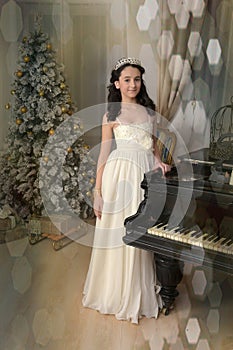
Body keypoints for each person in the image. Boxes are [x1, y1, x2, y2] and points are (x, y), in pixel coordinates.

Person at [82, 57, 171, 324]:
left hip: (145, 172)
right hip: (120, 174)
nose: (133, 84)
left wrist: (158, 161)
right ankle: (115, 290)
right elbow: (104, 154)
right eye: (127, 80)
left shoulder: (149, 111)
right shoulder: (111, 114)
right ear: (117, 84)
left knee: (143, 230)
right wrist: (97, 191)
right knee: (122, 230)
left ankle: (138, 287)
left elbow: (151, 143)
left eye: (137, 79)